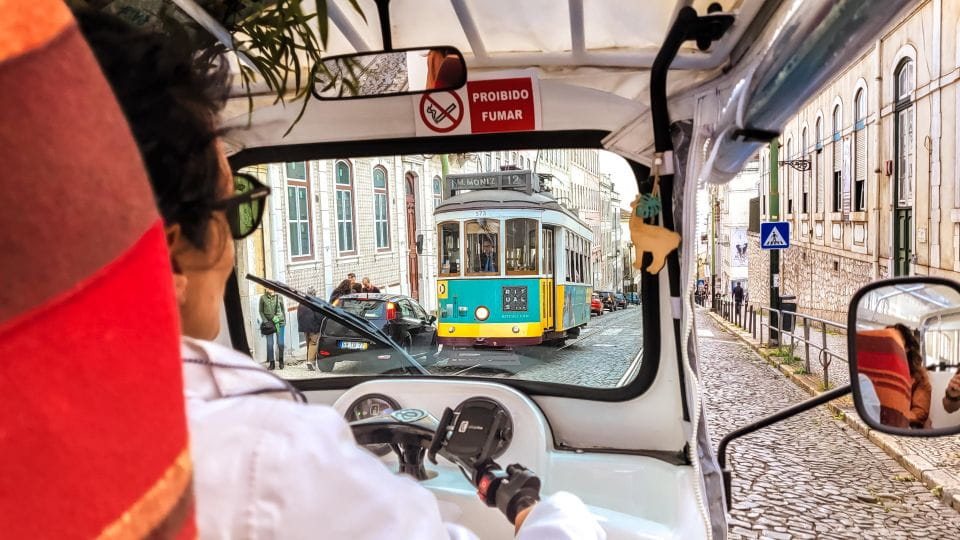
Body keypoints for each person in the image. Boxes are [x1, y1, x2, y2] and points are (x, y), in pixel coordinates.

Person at [77, 11, 604, 539]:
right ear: (170, 252)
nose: (235, 250)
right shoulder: (271, 454)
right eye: (237, 207)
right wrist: (544, 513)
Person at [890, 324, 932, 428]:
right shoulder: (877, 369)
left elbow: (919, 412)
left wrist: (896, 418)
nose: (890, 345)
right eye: (887, 340)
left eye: (896, 341)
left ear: (907, 348)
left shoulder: (919, 377)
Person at [259, 288, 286, 369]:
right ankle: (272, 363)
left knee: (280, 343)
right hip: (269, 325)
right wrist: (265, 321)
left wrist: (284, 320)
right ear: (265, 288)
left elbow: (283, 309)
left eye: (271, 287)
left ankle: (281, 360)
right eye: (267, 287)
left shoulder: (279, 297)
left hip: (280, 323)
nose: (269, 289)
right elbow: (261, 311)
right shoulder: (263, 298)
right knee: (270, 344)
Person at [297, 287, 323, 370]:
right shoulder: (315, 302)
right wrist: (320, 324)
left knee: (309, 344)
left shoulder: (301, 302)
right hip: (314, 327)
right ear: (314, 294)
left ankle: (310, 361)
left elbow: (299, 315)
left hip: (304, 327)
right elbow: (319, 316)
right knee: (314, 343)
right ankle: (310, 362)